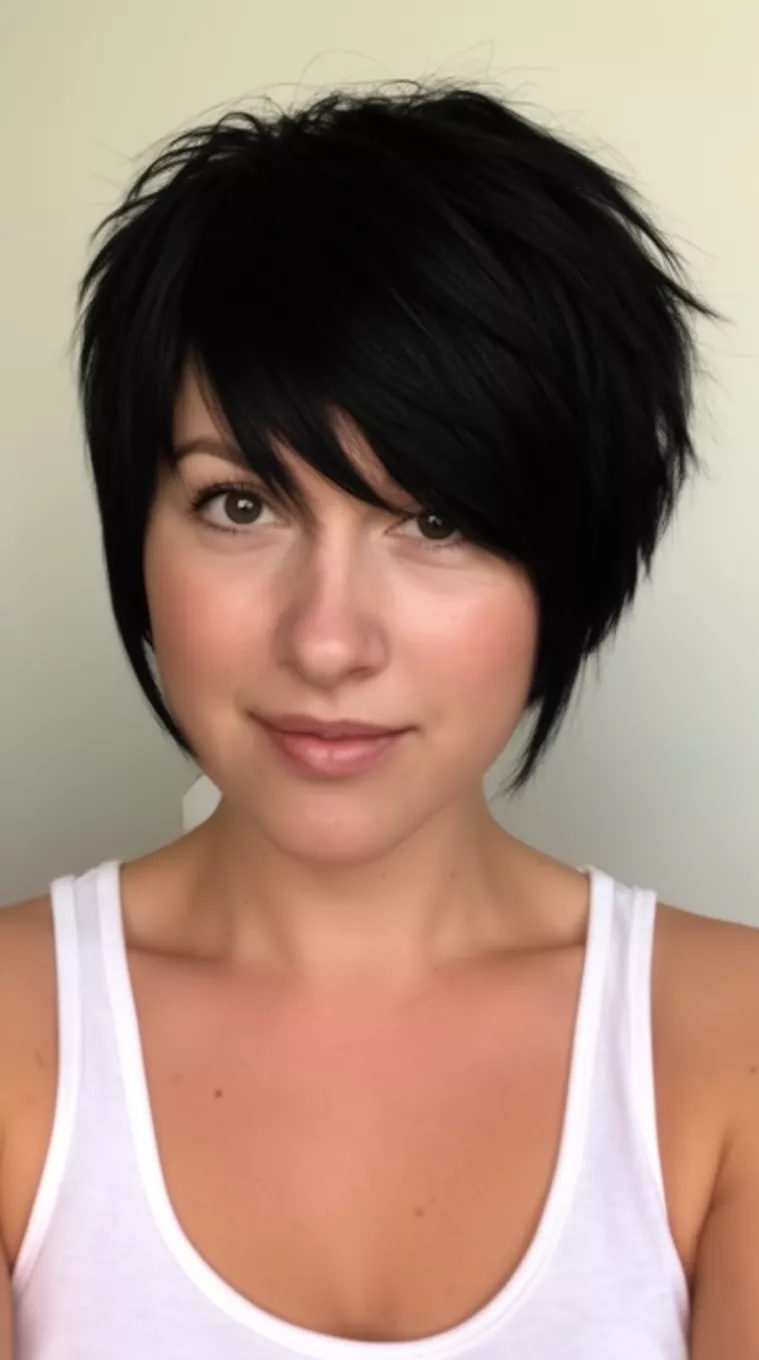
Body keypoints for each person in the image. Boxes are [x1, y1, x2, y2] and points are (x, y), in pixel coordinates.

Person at [0, 80, 756, 1360]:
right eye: (240, 504)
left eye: (437, 519)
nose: (327, 640)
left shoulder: (732, 1045)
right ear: (138, 533)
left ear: (568, 557)